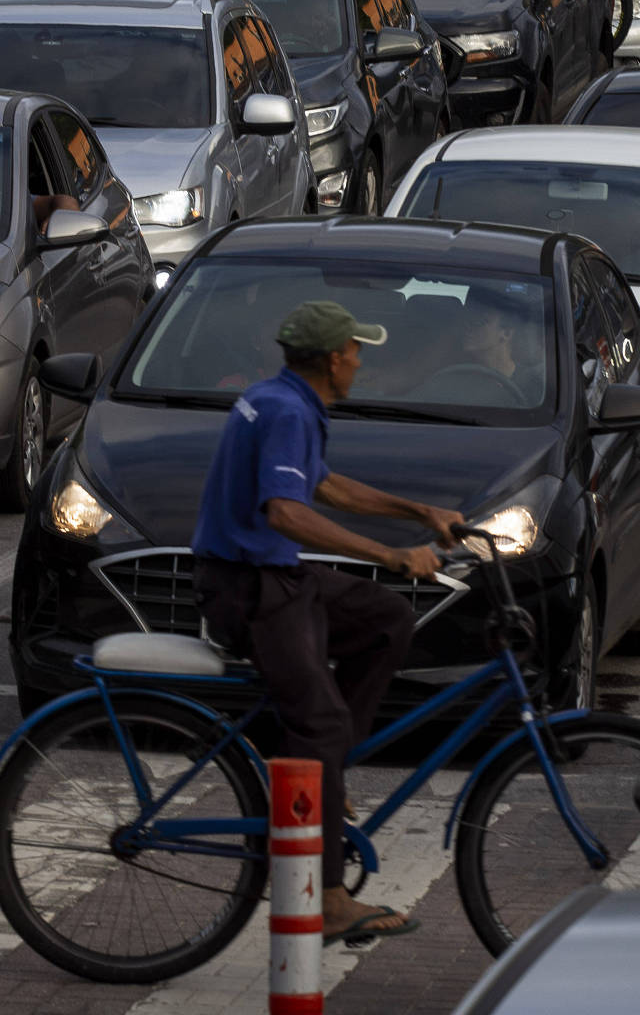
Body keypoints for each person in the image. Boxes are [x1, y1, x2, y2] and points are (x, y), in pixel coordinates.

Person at [191, 301, 463, 943]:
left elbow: (327, 487)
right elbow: (286, 512)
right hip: (250, 588)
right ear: (335, 358)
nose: (361, 362)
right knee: (321, 724)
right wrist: (390, 554)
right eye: (356, 351)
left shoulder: (281, 399)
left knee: (386, 618)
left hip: (271, 577)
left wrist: (419, 513)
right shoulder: (288, 411)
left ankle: (324, 765)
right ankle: (330, 897)